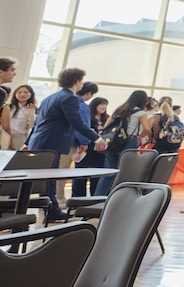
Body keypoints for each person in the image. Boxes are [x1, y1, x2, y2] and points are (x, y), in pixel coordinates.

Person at [24, 68, 107, 219]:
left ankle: (50, 208)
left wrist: (27, 142)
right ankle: (52, 211)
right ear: (76, 81)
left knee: (46, 177)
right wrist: (96, 138)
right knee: (49, 178)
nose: (82, 83)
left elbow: (38, 123)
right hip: (52, 141)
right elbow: (77, 122)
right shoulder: (70, 98)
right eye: (81, 80)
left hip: (41, 140)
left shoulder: (50, 97)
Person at [97, 90, 154, 196]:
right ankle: (118, 196)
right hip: (129, 141)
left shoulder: (119, 109)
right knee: (126, 171)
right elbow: (147, 129)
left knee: (108, 172)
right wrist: (140, 136)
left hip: (114, 142)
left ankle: (98, 197)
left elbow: (106, 127)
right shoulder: (141, 113)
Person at [71, 95, 109, 197]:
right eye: (101, 104)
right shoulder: (87, 117)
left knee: (97, 174)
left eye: (105, 104)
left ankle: (95, 196)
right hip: (86, 146)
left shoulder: (107, 118)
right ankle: (78, 197)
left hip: (100, 150)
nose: (103, 107)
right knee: (81, 173)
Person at [7, 83, 37, 151]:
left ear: (31, 94)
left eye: (26, 92)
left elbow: (32, 125)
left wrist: (31, 112)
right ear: (15, 94)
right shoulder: (9, 107)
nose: (22, 94)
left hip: (21, 137)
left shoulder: (33, 109)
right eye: (19, 92)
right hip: (7, 136)